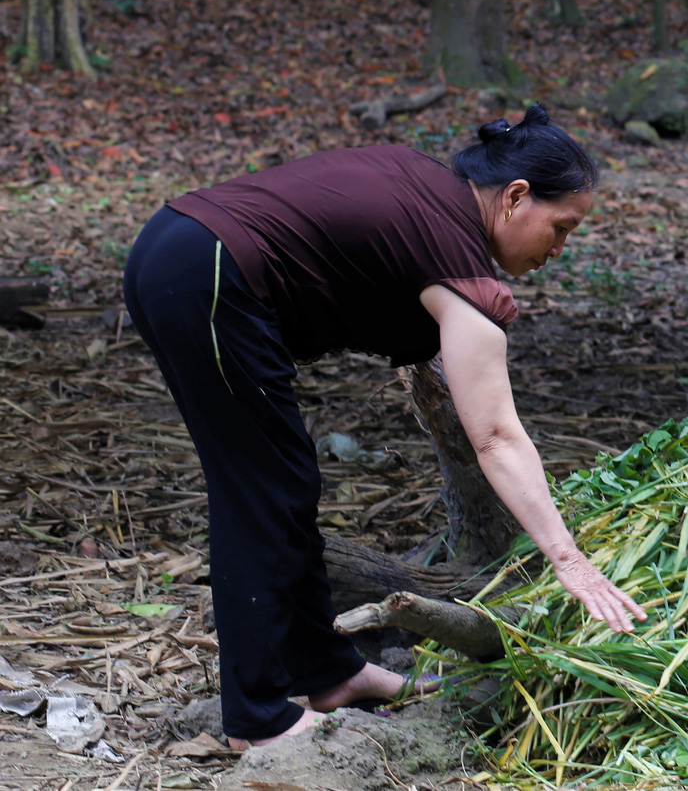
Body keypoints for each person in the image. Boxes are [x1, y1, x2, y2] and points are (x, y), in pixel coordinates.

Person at [122, 106, 645, 749]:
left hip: (180, 252)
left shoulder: (431, 196)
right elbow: (497, 436)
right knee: (262, 492)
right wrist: (570, 561)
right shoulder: (454, 254)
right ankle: (256, 720)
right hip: (206, 276)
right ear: (514, 198)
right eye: (560, 226)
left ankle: (327, 672)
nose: (559, 248)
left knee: (284, 480)